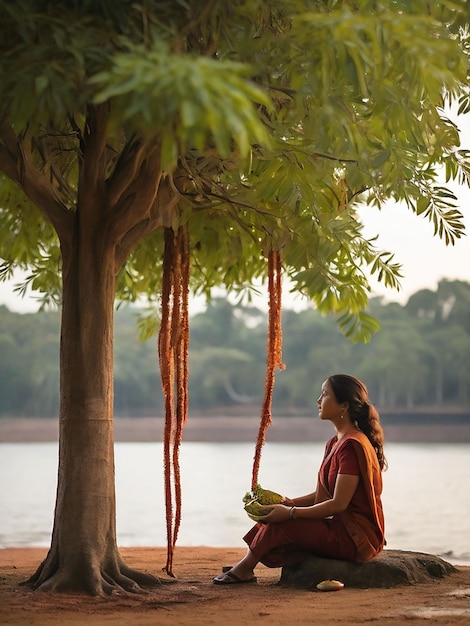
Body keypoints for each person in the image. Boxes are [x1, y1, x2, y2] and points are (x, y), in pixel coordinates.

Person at [213, 373, 387, 585]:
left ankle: (246, 568)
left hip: (354, 538)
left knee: (285, 524)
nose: (318, 400)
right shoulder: (335, 443)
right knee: (275, 517)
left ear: (344, 406)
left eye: (324, 395)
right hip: (339, 529)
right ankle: (247, 563)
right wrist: (287, 503)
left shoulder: (351, 446)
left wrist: (290, 514)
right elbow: (321, 497)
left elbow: (338, 504)